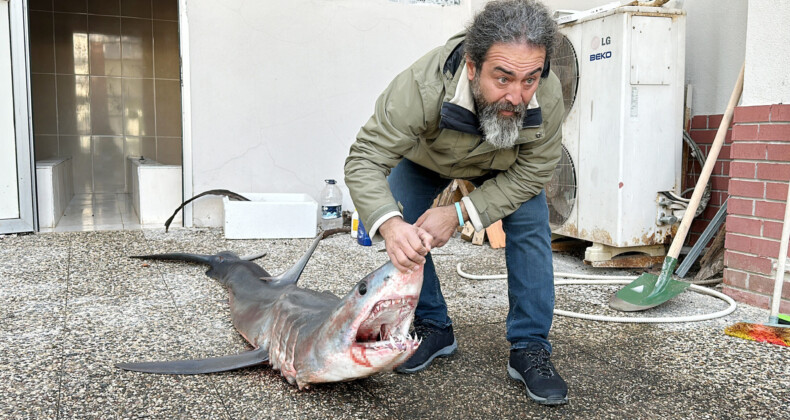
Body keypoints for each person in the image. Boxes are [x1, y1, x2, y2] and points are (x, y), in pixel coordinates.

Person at [344, 0, 567, 405]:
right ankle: (432, 326)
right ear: (471, 65)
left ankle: (530, 346)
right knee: (402, 218)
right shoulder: (421, 86)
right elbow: (364, 159)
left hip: (506, 166)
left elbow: (534, 172)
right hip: (427, 159)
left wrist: (461, 212)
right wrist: (392, 226)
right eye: (503, 79)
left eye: (530, 79)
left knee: (532, 227)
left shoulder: (547, 96)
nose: (517, 96)